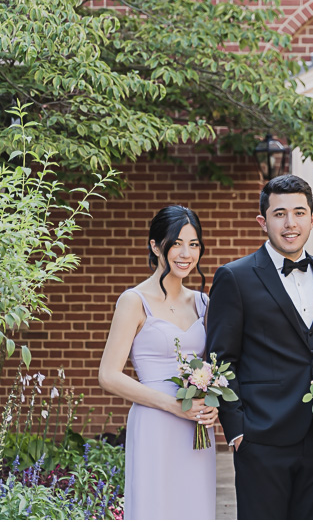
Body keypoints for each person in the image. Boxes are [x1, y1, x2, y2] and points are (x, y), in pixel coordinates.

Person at [206, 175, 313, 520]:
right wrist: (236, 431)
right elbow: (220, 359)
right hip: (261, 437)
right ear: (262, 221)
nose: (290, 223)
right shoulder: (235, 277)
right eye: (280, 214)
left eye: (299, 212)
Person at [98, 205, 217, 520]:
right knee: (156, 507)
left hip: (197, 428)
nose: (185, 253)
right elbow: (108, 375)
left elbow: (213, 366)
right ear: (155, 245)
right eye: (176, 243)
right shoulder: (133, 301)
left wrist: (212, 400)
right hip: (155, 424)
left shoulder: (204, 303)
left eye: (193, 244)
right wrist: (174, 405)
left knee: (195, 507)